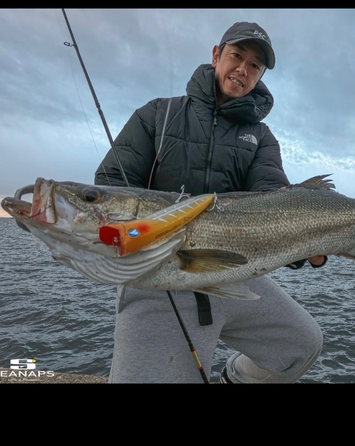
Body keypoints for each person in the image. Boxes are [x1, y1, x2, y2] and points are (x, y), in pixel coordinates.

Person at [95, 21, 325, 383]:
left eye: (254, 66)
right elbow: (110, 183)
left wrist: (309, 244)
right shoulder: (158, 113)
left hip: (232, 268)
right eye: (237, 56)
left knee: (302, 344)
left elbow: (273, 205)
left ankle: (233, 377)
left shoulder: (261, 137)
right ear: (217, 55)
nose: (243, 70)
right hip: (160, 276)